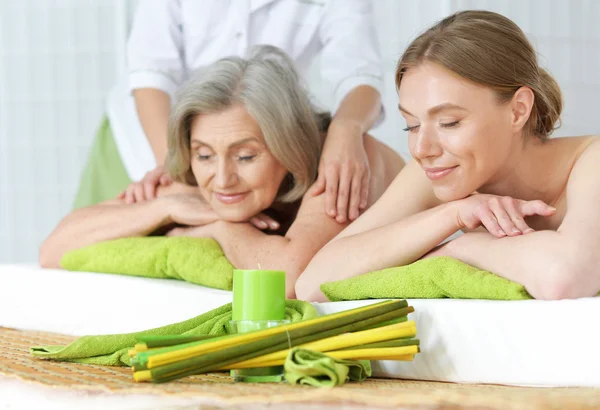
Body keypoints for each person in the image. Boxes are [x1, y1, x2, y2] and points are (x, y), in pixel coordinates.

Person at [40, 46, 405, 298]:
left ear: (290, 147)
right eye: (203, 155)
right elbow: (55, 248)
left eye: (245, 157)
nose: (222, 178)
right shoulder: (201, 174)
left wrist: (215, 226)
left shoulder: (339, 163)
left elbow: (287, 280)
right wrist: (162, 209)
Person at [296, 10, 600, 302]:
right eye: (411, 126)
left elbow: (565, 276)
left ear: (518, 110)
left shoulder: (591, 161)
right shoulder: (441, 172)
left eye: (449, 123)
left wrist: (463, 248)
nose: (421, 149)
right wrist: (451, 215)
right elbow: (312, 284)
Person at [74, 0, 386, 224]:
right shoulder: (184, 160)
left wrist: (346, 131)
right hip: (152, 136)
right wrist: (178, 168)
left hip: (262, 148)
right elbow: (151, 76)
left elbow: (359, 76)